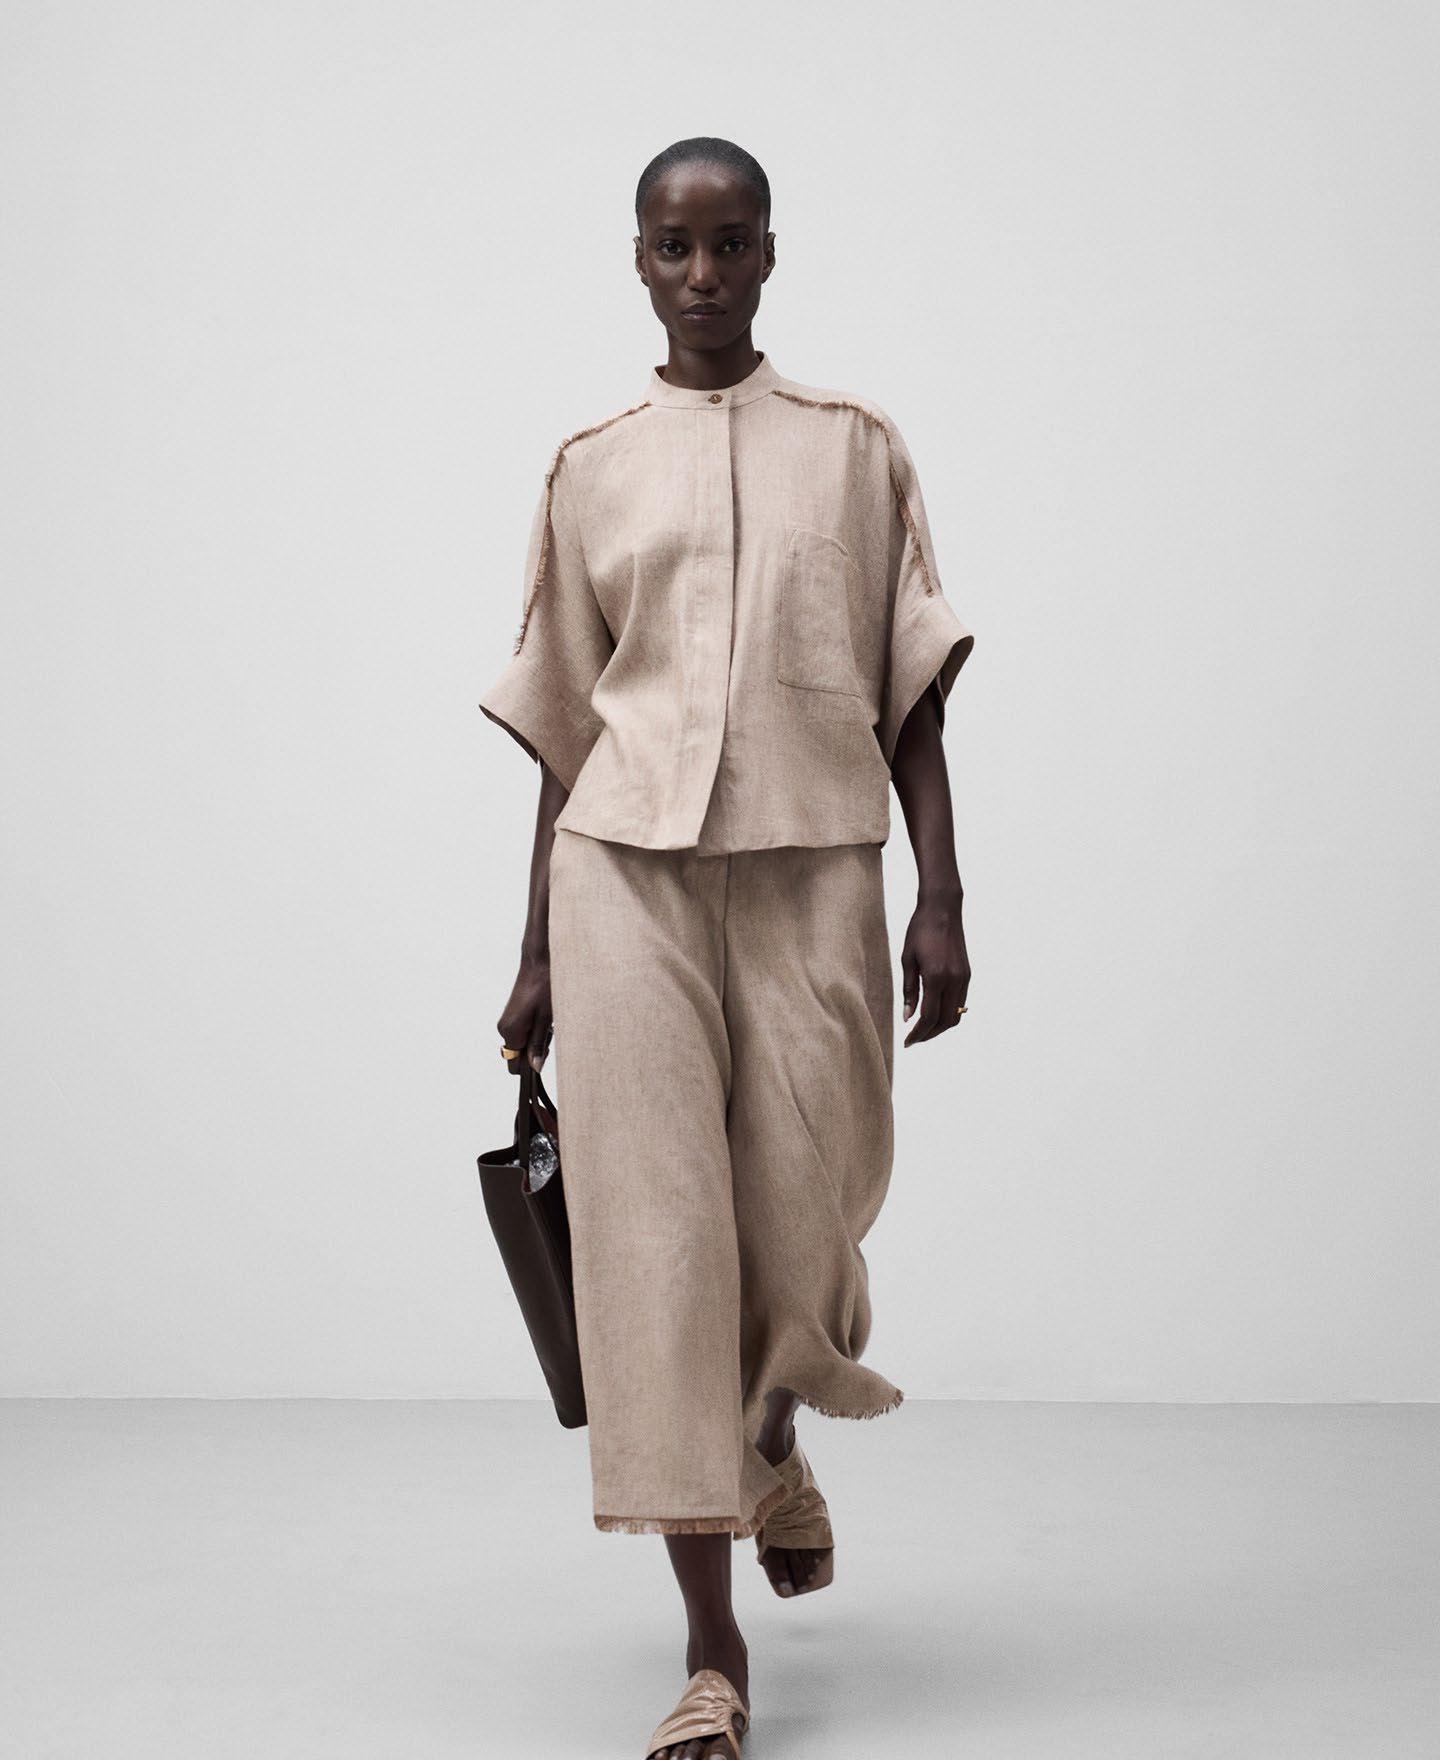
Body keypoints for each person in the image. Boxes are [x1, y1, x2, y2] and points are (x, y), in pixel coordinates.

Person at [478, 135, 975, 1760]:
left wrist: (942, 895)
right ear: (638, 261)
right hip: (622, 881)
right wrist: (534, 947)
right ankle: (713, 1653)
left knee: (810, 1217)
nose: (703, 273)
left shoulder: (855, 450)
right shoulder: (591, 466)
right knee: (660, 1254)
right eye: (674, 247)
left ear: (770, 253)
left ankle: (770, 1434)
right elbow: (566, 730)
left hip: (817, 870)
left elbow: (911, 692)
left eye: (732, 242)